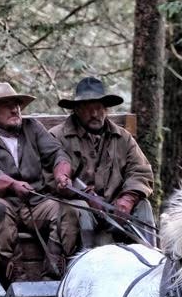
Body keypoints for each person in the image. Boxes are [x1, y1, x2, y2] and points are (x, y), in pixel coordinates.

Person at [0, 82, 79, 280]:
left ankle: (53, 276)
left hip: (34, 202)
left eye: (17, 104)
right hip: (2, 201)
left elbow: (57, 153)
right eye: (6, 105)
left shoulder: (32, 127)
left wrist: (62, 174)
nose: (14, 109)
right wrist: (12, 185)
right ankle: (16, 277)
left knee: (66, 211)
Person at [49, 76, 156, 248]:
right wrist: (85, 195)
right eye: (87, 108)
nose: (94, 114)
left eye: (98, 107)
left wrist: (127, 198)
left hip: (116, 209)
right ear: (76, 109)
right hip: (81, 207)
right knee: (79, 210)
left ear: (106, 109)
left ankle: (150, 262)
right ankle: (84, 266)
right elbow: (49, 177)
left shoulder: (122, 138)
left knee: (143, 206)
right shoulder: (57, 137)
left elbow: (140, 170)